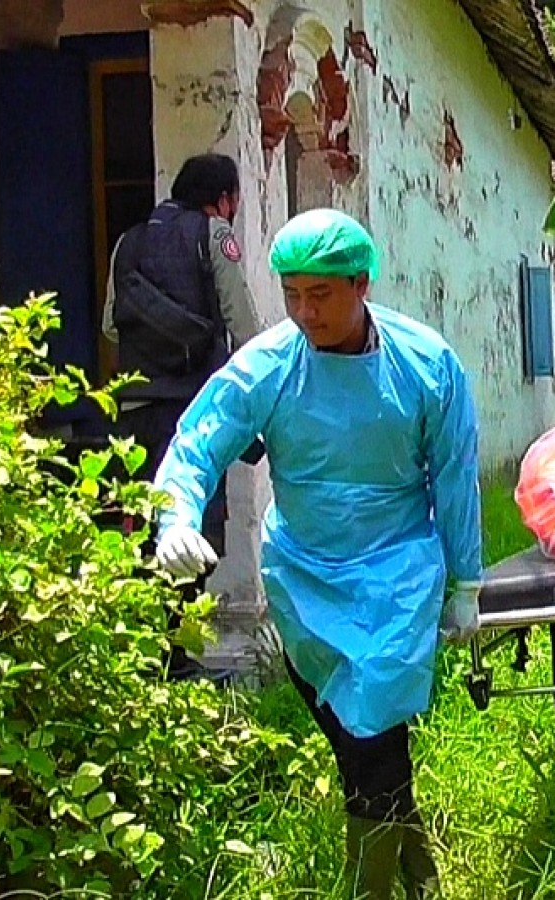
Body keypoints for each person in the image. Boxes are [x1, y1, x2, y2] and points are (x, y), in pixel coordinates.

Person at [152, 208, 483, 899]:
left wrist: (467, 584)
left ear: (362, 284)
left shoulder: (426, 365)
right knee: (360, 750)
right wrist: (176, 515)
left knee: (375, 747)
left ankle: (371, 890)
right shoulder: (270, 366)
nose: (305, 312)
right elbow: (199, 440)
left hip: (395, 576)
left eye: (321, 294)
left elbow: (454, 475)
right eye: (293, 294)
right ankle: (423, 878)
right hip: (304, 580)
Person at [102, 153, 265, 680]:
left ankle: (145, 654)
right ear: (223, 199)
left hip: (136, 410)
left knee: (142, 524)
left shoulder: (128, 242)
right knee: (194, 525)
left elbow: (110, 326)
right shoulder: (213, 235)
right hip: (195, 412)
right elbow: (244, 325)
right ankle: (178, 657)